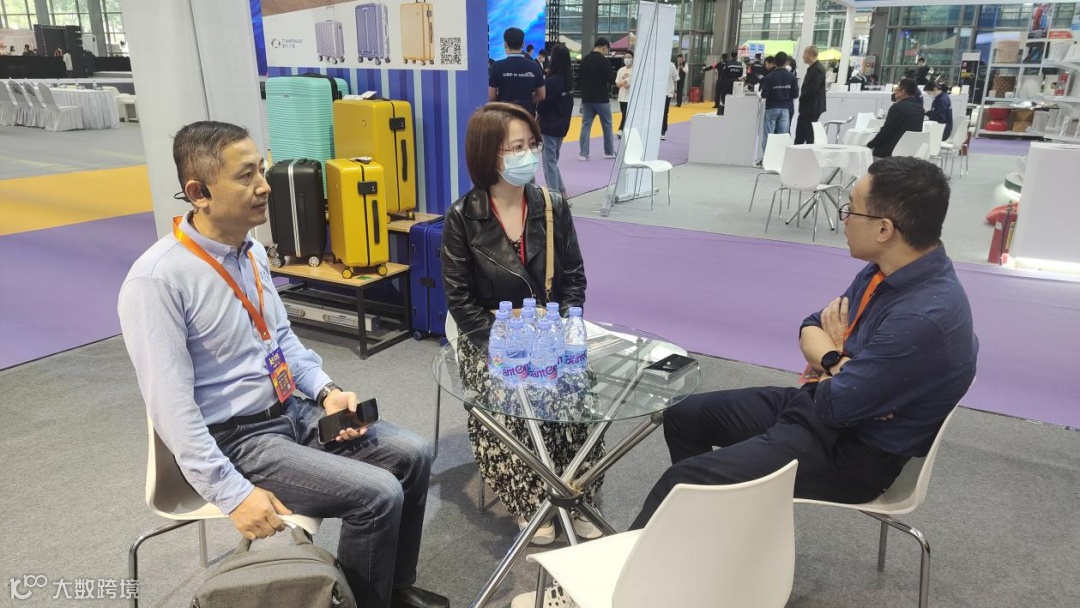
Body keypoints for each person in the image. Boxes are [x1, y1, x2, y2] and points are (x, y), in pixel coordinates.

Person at [117, 121, 448, 608]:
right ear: (198, 192)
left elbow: (281, 342)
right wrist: (232, 494)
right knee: (378, 494)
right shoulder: (157, 280)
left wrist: (326, 391)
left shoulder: (250, 251)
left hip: (291, 410)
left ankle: (394, 590)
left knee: (413, 454)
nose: (265, 186)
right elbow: (170, 409)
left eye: (262, 169)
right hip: (237, 440)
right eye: (246, 175)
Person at [631, 156, 978, 530]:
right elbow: (812, 327)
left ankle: (638, 566)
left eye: (851, 210)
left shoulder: (923, 317)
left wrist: (837, 361)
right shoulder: (887, 270)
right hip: (819, 408)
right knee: (683, 415)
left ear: (884, 229)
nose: (844, 219)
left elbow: (835, 404)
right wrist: (838, 360)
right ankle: (709, 530)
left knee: (681, 483)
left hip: (852, 452)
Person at [441, 102, 604, 546]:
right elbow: (460, 300)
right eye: (516, 147)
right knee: (511, 400)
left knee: (578, 393)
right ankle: (531, 502)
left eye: (532, 144)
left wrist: (563, 329)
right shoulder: (463, 217)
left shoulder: (552, 206)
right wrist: (504, 345)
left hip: (549, 331)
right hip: (491, 338)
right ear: (487, 154)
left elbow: (574, 279)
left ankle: (577, 492)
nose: (528, 155)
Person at [536, 43, 574, 201]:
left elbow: (544, 103)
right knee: (552, 160)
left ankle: (555, 196)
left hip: (549, 125)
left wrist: (538, 113)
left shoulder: (552, 81)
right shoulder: (568, 80)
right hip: (562, 125)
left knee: (549, 163)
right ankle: (562, 192)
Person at [489, 27, 545, 115]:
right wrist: (526, 102)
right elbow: (541, 95)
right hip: (526, 115)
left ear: (505, 44)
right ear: (523, 44)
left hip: (504, 115)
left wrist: (503, 104)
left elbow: (491, 96)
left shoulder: (497, 66)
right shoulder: (534, 66)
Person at [577, 38, 617, 161]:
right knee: (607, 125)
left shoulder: (584, 60)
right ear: (604, 47)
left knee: (586, 125)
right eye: (607, 50)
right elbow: (611, 79)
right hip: (601, 98)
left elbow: (578, 79)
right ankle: (609, 152)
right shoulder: (605, 62)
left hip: (587, 99)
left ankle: (583, 153)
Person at [756, 53, 797, 167]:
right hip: (785, 109)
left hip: (771, 108)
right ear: (786, 62)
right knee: (782, 136)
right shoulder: (792, 77)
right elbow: (795, 94)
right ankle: (781, 161)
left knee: (768, 136)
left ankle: (767, 160)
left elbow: (764, 94)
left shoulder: (769, 77)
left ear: (774, 62)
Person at [867, 79, 925, 159]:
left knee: (871, 150)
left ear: (902, 92)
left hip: (894, 148)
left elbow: (886, 131)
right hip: (912, 149)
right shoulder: (920, 109)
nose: (894, 93)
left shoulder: (897, 108)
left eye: (896, 91)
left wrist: (870, 145)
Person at [796, 45, 828, 145]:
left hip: (811, 108)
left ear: (810, 54)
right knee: (800, 136)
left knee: (809, 136)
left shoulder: (817, 69)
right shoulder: (813, 68)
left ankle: (807, 152)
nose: (803, 56)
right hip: (808, 108)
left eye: (804, 53)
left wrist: (803, 97)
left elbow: (814, 89)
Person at [615, 50, 633, 136]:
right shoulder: (621, 70)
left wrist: (629, 84)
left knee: (626, 114)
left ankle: (621, 129)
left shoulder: (635, 70)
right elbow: (618, 83)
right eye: (626, 57)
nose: (627, 59)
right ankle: (626, 129)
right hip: (622, 96)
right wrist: (623, 83)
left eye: (629, 57)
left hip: (630, 96)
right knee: (624, 113)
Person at [661, 59, 678, 140]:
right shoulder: (654, 64)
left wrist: (675, 91)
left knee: (664, 112)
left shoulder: (671, 65)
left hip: (667, 92)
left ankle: (663, 131)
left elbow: (675, 79)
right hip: (655, 93)